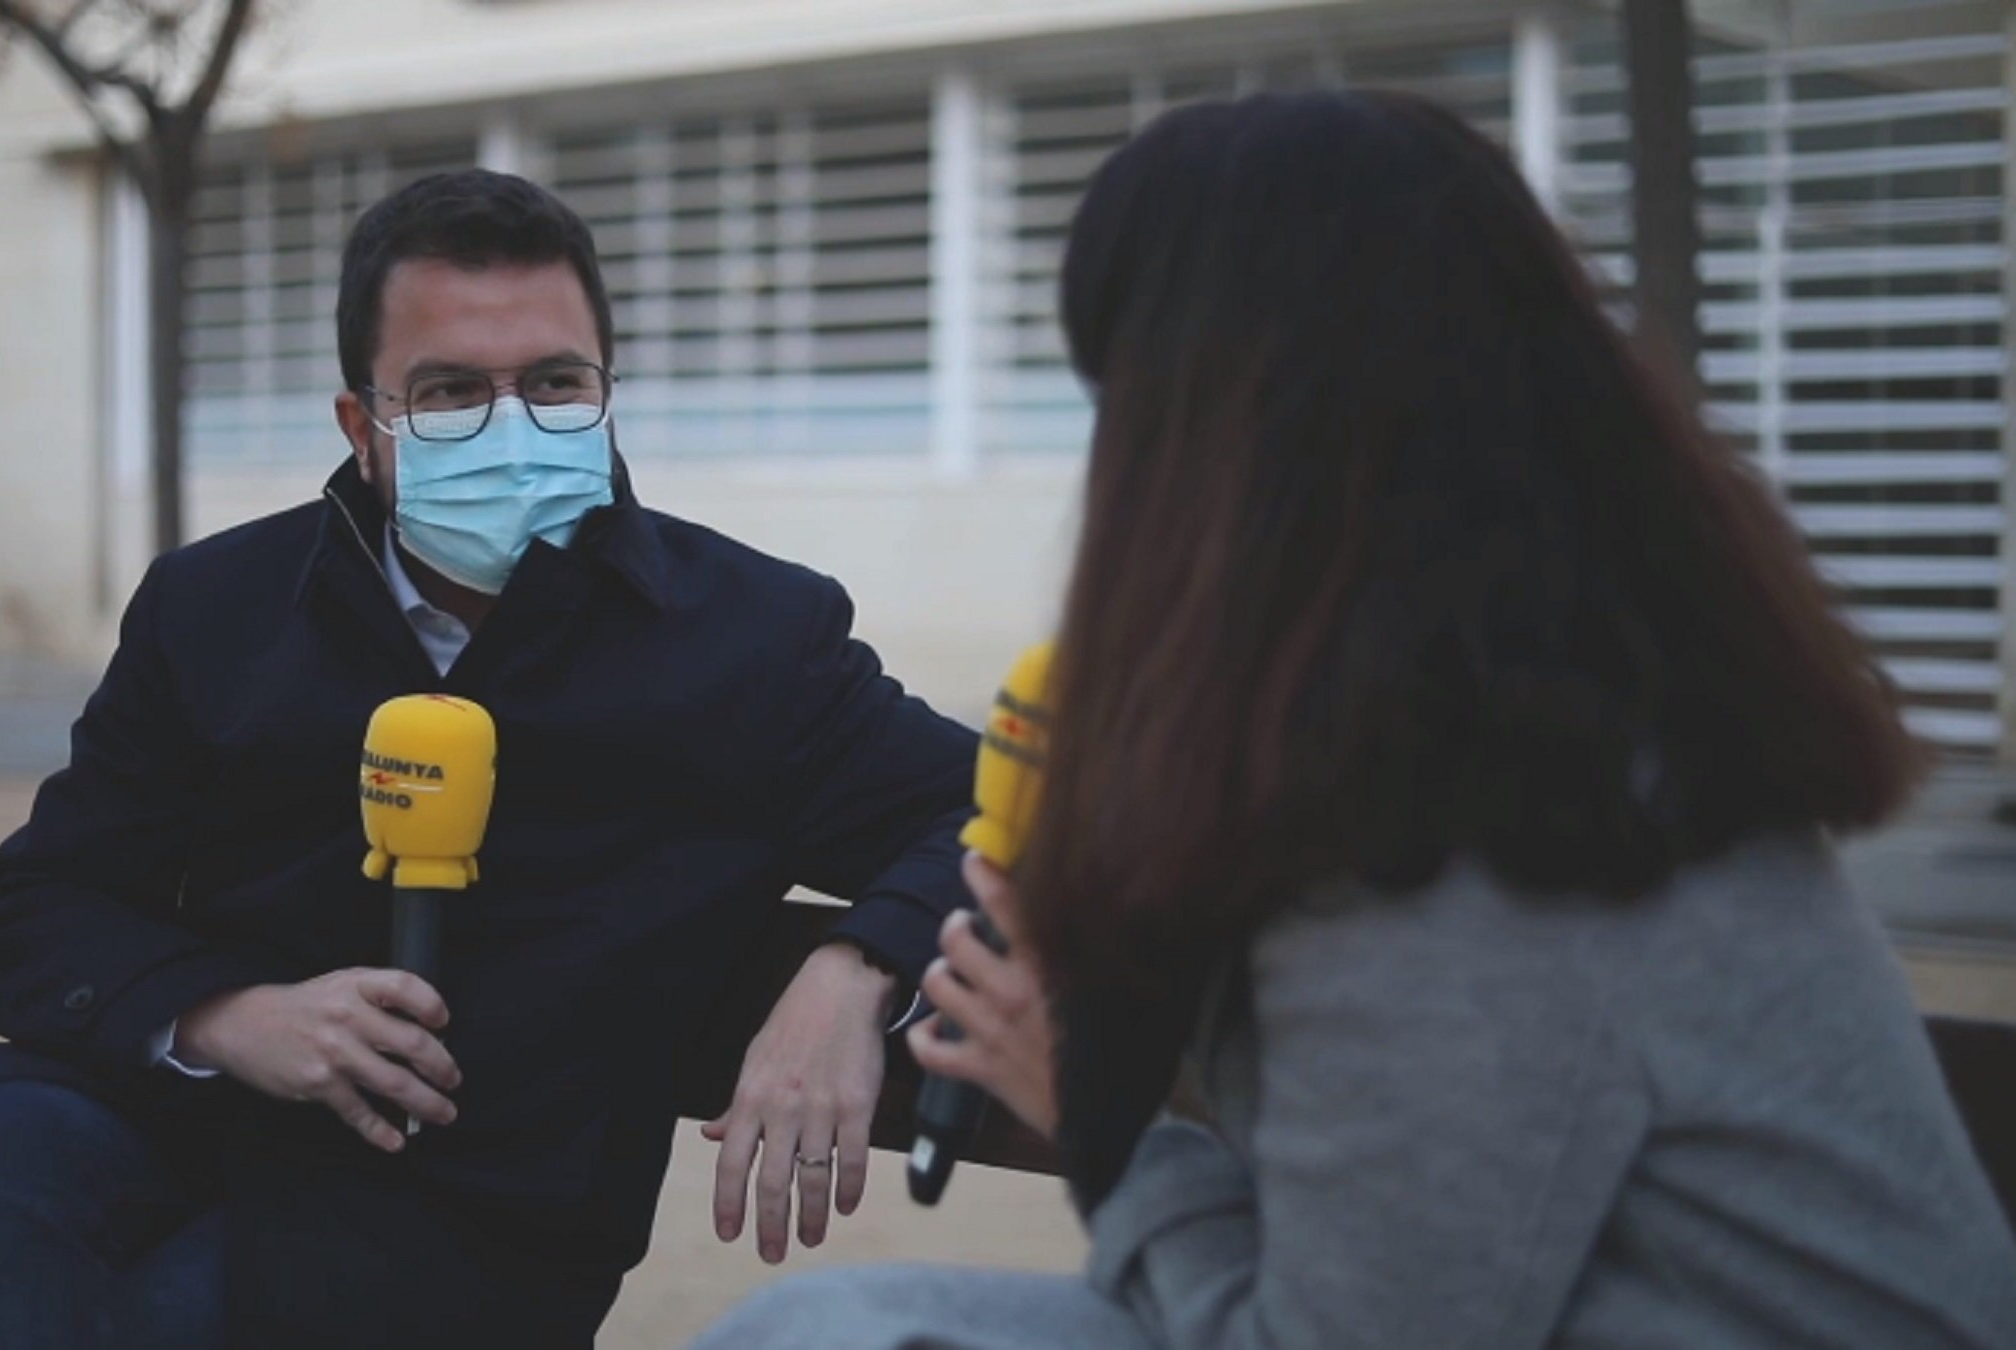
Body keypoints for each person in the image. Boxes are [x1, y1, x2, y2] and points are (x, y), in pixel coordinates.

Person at [699, 90, 2016, 1349]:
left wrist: (1098, 1118)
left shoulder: (1480, 838)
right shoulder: (1556, 719)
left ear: (1206, 436)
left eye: (1119, 400)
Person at [0, 170, 977, 1348]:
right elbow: (30, 913)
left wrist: (856, 966)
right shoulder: (215, 608)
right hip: (197, 1128)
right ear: (364, 426)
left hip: (472, 1227)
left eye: (556, 383)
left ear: (608, 395)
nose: (513, 426)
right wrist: (222, 1014)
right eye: (452, 391)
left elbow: (1007, 816)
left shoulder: (749, 637)